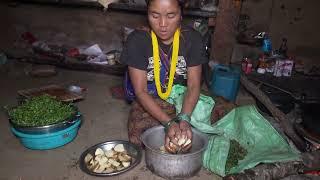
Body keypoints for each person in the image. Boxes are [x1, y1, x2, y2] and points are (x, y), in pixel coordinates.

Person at [120, 0, 208, 153]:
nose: (162, 24)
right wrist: (168, 123)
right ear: (147, 13)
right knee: (138, 135)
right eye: (155, 15)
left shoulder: (193, 39)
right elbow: (141, 91)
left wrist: (185, 119)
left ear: (181, 14)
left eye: (171, 15)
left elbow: (194, 86)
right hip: (152, 99)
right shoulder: (137, 40)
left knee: (224, 117)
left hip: (183, 97)